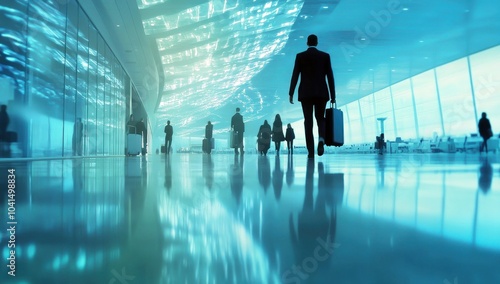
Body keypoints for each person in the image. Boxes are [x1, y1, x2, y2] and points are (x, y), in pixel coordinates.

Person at [289, 34, 335, 159]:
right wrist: (333, 95)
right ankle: (321, 139)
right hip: (322, 93)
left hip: (306, 93)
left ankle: (310, 151)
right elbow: (330, 76)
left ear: (307, 43)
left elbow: (295, 75)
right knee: (320, 117)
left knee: (308, 121)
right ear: (317, 42)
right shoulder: (325, 56)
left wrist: (291, 92)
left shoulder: (300, 56)